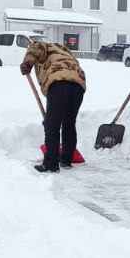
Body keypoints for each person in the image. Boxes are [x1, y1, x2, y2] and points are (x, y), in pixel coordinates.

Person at [20, 41, 86, 172]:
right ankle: (66, 159)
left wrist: (26, 64)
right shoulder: (64, 51)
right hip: (78, 85)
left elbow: (35, 48)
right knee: (69, 123)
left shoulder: (44, 46)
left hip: (59, 83)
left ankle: (51, 164)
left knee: (52, 125)